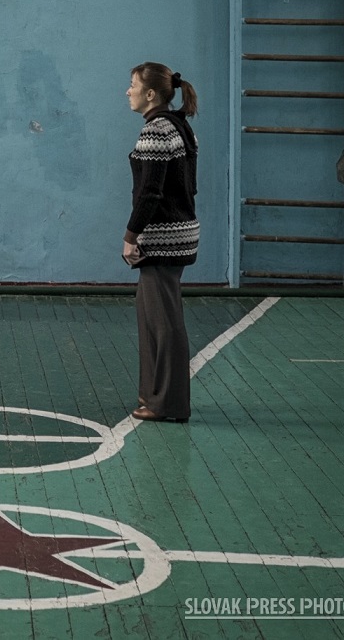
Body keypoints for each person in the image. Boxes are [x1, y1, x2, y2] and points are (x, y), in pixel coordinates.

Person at [123, 63, 199, 423]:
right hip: (180, 233)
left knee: (163, 324)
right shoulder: (181, 127)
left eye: (133, 85)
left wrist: (130, 236)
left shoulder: (155, 131)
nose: (128, 91)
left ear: (151, 94)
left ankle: (167, 403)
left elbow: (150, 193)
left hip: (162, 239)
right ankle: (153, 394)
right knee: (155, 320)